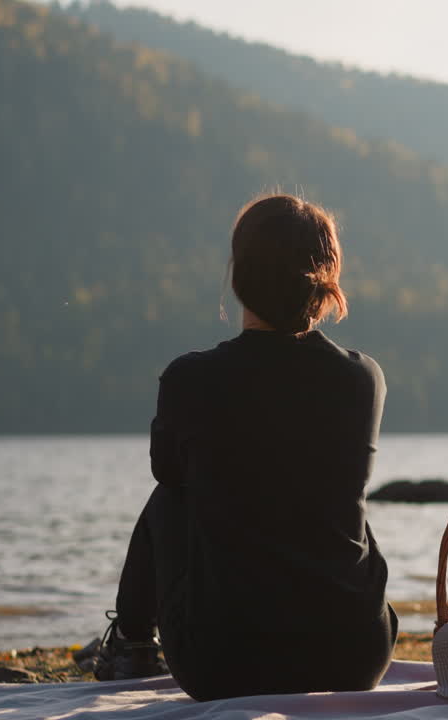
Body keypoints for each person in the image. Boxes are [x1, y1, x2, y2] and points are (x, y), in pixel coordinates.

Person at [90, 194, 395, 700]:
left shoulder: (191, 377)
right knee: (342, 504)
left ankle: (132, 645)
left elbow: (169, 474)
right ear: (327, 277)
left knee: (171, 497)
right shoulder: (364, 377)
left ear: (240, 276)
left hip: (226, 666)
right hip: (355, 659)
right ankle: (134, 644)